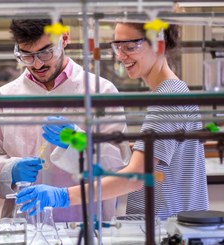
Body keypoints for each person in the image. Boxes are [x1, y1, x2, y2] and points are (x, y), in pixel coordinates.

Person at [15, 22, 209, 221]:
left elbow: (135, 177)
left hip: (167, 227)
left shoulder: (168, 97)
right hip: (165, 224)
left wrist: (62, 196)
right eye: (117, 46)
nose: (121, 55)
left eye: (130, 47)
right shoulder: (169, 93)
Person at [0, 18, 131, 222]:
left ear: (64, 38)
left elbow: (119, 165)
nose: (37, 64)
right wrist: (10, 170)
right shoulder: (4, 97)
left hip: (84, 222)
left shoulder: (101, 91)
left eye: (45, 52)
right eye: (27, 55)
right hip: (25, 223)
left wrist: (76, 141)